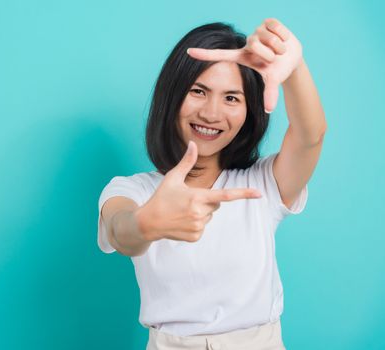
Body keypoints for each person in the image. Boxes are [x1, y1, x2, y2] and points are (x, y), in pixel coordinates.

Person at [97, 18, 326, 350]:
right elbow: (121, 231)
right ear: (172, 96)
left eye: (232, 98)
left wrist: (294, 66)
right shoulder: (133, 190)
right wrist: (145, 224)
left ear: (249, 112)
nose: (211, 113)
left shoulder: (262, 183)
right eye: (198, 91)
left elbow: (310, 137)